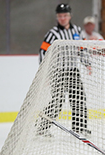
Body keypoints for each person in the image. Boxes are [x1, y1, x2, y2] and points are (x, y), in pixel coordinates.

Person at [37, 3, 91, 136]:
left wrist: (87, 63)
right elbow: (43, 52)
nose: (62, 18)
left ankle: (79, 128)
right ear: (57, 17)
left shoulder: (77, 31)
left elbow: (82, 48)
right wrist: (47, 73)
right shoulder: (52, 34)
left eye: (65, 15)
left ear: (70, 16)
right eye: (60, 16)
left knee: (78, 99)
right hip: (58, 72)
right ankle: (42, 129)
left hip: (73, 71)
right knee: (57, 101)